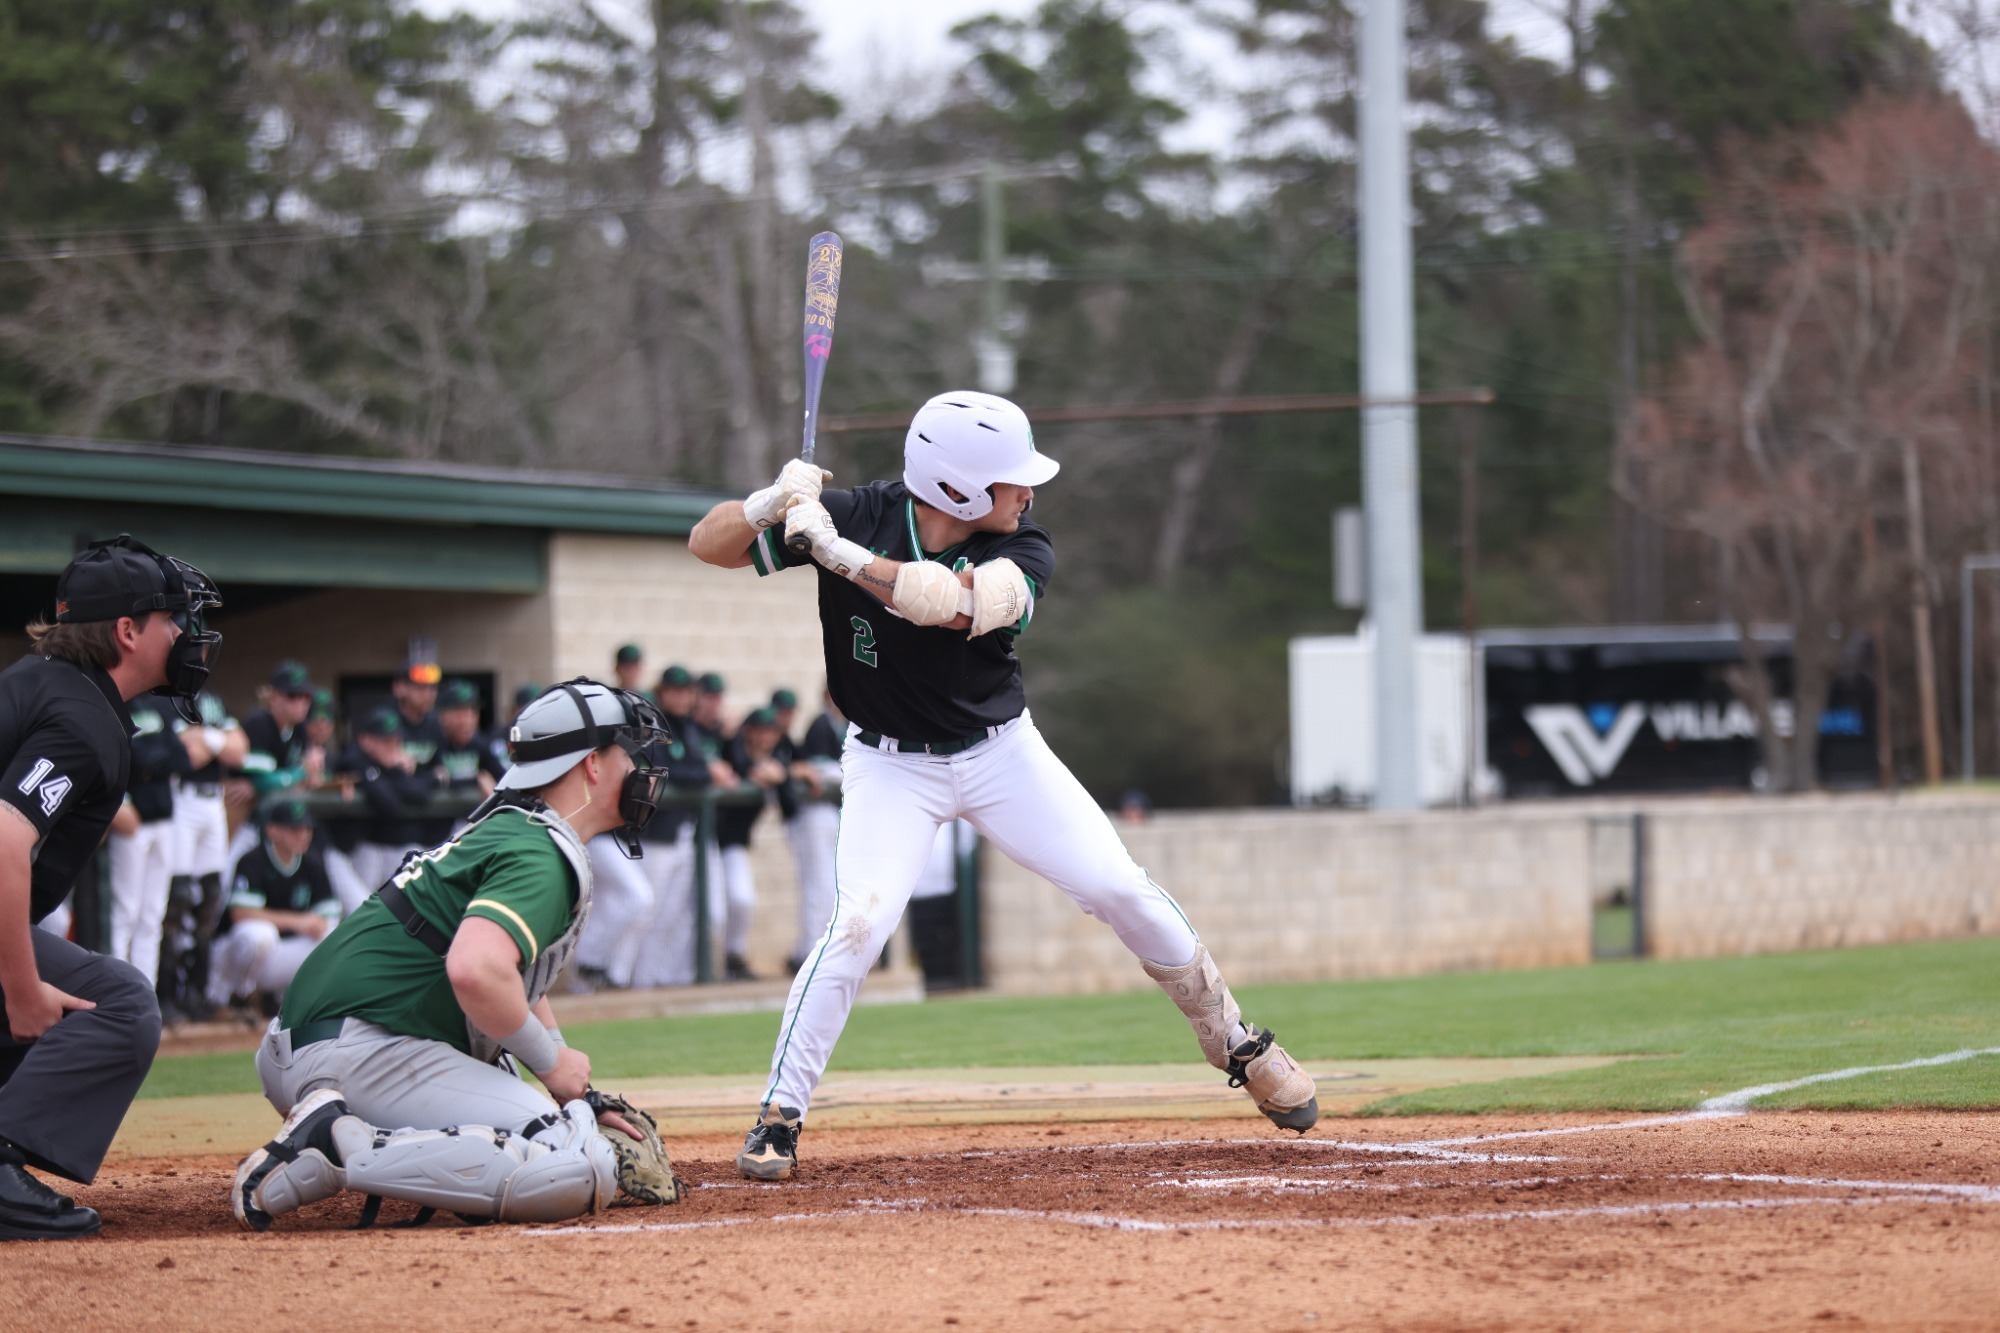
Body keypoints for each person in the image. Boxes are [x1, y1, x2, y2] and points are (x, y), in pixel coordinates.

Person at [689, 391, 1318, 1181]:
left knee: (1119, 886)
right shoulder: (854, 511)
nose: (1028, 492)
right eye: (1011, 479)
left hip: (1001, 755)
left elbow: (951, 606)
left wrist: (837, 554)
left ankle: (1233, 1037)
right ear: (956, 488)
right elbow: (703, 545)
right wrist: (768, 504)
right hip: (889, 765)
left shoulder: (1026, 546)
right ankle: (780, 1112)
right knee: (858, 925)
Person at [231, 681, 670, 1230]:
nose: (638, 768)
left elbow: (511, 976)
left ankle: (346, 1133)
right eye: (626, 753)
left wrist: (565, 1075)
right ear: (591, 764)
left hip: (329, 1042)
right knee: (574, 1162)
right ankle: (338, 1148)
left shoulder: (514, 830)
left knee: (558, 1123)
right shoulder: (539, 851)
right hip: (361, 1049)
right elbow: (476, 969)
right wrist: (553, 1066)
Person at [0, 534, 221, 1239]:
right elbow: (2, 840)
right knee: (120, 1004)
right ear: (127, 631)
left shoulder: (46, 684)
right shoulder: (80, 716)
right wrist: (22, 985)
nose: (188, 634)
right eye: (172, 619)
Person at [575, 667, 711, 991]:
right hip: (607, 834)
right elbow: (668, 772)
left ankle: (614, 977)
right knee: (636, 900)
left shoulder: (684, 728)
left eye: (685, 690)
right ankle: (595, 968)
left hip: (633, 834)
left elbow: (695, 770)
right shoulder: (633, 732)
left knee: (640, 906)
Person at [159, 685, 248, 1022]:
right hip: (181, 798)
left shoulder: (212, 698)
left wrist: (206, 739)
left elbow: (240, 752)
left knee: (211, 897)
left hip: (214, 802)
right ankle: (166, 992)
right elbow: (186, 754)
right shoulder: (166, 696)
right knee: (178, 898)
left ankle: (197, 993)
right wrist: (218, 741)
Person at [206, 799, 340, 1015]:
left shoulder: (313, 863)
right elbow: (241, 914)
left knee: (332, 937)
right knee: (260, 935)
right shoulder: (252, 860)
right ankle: (230, 996)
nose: (303, 835)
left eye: (307, 828)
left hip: (278, 955)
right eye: (295, 829)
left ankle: (288, 1000)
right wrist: (298, 922)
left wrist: (312, 924)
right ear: (273, 831)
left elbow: (328, 915)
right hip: (234, 953)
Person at [104, 690, 191, 988]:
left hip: (163, 820)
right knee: (125, 910)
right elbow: (130, 757)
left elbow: (181, 757)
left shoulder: (159, 706)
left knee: (153, 915)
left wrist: (149, 761)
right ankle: (115, 993)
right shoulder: (115, 703)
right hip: (133, 822)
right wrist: (152, 759)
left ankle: (144, 991)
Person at [715, 707, 791, 981]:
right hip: (707, 839)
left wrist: (781, 774)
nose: (765, 737)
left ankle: (733, 957)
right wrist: (755, 772)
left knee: (742, 899)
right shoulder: (732, 748)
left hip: (733, 842)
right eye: (760, 731)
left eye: (770, 732)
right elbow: (733, 760)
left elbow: (788, 794)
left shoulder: (779, 754)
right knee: (715, 908)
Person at [335, 707, 446, 891]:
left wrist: (393, 773)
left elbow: (421, 793)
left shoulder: (392, 765)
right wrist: (393, 774)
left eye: (396, 740)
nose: (393, 746)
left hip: (391, 848)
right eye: (385, 740)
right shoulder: (353, 760)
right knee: (360, 908)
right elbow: (391, 804)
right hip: (356, 849)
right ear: (365, 741)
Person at [230, 660, 326, 868]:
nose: (301, 703)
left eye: (305, 697)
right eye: (293, 696)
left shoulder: (299, 730)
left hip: (278, 825)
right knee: (224, 875)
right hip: (242, 819)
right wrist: (300, 772)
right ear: (273, 696)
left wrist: (311, 774)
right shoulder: (259, 723)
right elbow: (262, 781)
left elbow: (309, 775)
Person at [784, 691, 844, 972]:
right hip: (813, 813)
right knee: (817, 884)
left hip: (833, 813)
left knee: (831, 886)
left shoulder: (847, 725)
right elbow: (818, 770)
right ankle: (809, 951)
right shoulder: (821, 724)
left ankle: (816, 949)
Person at [435, 680, 505, 799]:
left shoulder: (481, 745)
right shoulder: (433, 744)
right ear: (442, 715)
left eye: (472, 713)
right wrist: (474, 780)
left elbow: (503, 779)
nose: (467, 721)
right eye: (460, 713)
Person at [392, 657, 445, 767]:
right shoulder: (386, 721)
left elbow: (439, 769)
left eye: (432, 688)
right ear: (399, 688)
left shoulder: (436, 723)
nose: (428, 695)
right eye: (420, 688)